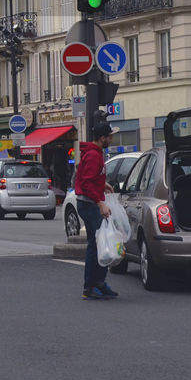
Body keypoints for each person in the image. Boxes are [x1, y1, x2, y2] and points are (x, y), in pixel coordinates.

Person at [74, 122, 118, 300]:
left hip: (89, 202)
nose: (111, 139)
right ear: (102, 138)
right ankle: (91, 286)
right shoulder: (93, 155)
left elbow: (90, 178)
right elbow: (86, 183)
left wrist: (103, 184)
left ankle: (97, 283)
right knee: (97, 244)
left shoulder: (95, 153)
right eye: (109, 136)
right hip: (90, 204)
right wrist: (100, 202)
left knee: (99, 243)